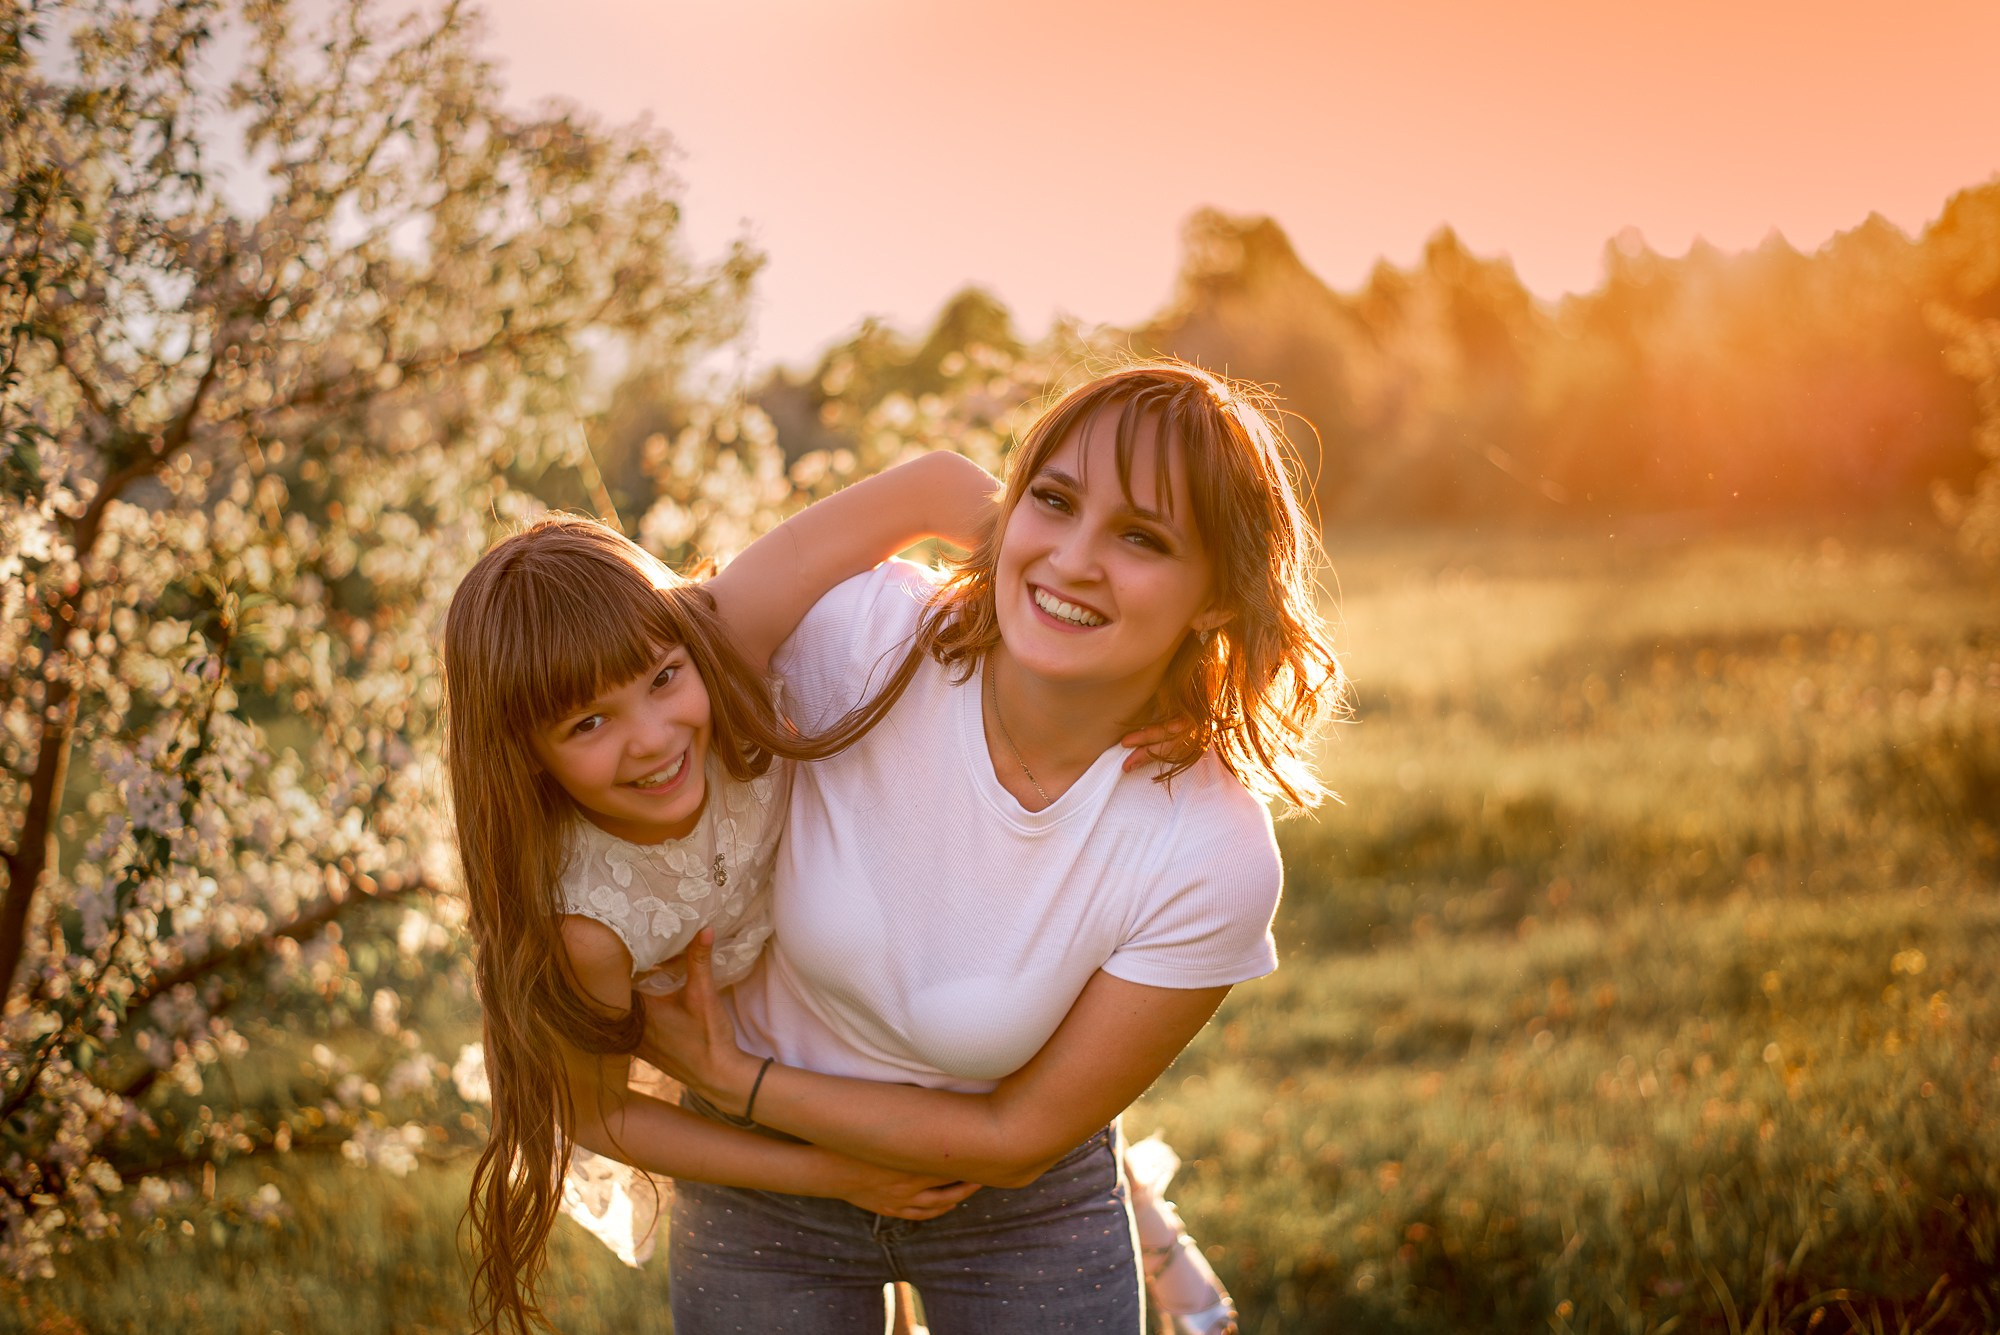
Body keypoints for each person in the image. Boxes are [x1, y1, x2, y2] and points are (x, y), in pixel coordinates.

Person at [640, 362, 1345, 1333]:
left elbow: (1014, 1138)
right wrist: (936, 486)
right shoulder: (862, 638)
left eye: (1142, 537)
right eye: (1052, 501)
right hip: (761, 1183)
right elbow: (660, 662)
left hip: (1014, 1207)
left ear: (1219, 597)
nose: (1074, 560)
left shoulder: (1210, 851)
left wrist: (731, 1078)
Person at [440, 451, 999, 1335]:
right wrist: (834, 1174)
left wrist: (1093, 644)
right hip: (730, 1054)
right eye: (589, 722)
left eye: (661, 679)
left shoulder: (723, 635)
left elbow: (935, 487)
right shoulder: (587, 923)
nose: (654, 738)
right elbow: (601, 1114)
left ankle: (1164, 1252)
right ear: (527, 754)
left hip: (854, 977)